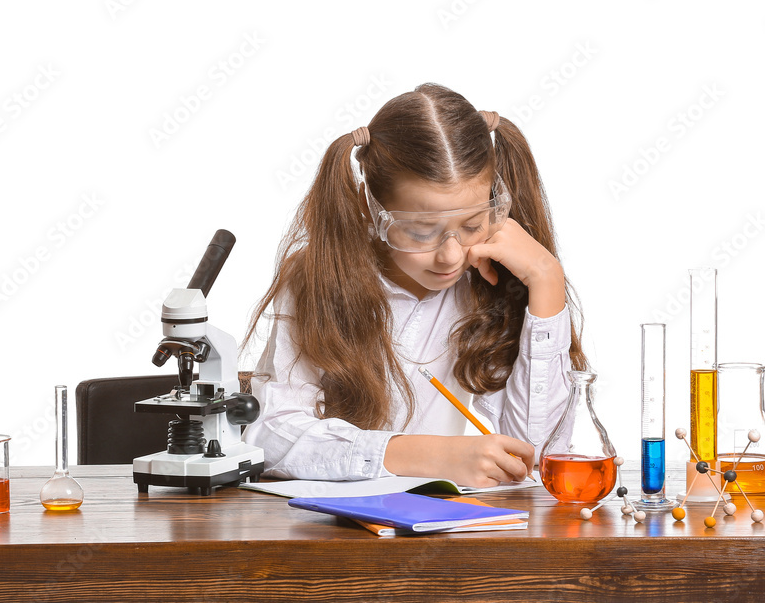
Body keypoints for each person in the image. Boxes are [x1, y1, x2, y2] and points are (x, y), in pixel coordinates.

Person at [243, 83, 587, 488]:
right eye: (421, 232)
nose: (452, 256)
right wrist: (428, 455)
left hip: (437, 530)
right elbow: (270, 436)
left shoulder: (494, 284)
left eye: (473, 225)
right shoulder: (318, 279)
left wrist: (546, 281)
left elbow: (535, 454)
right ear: (369, 206)